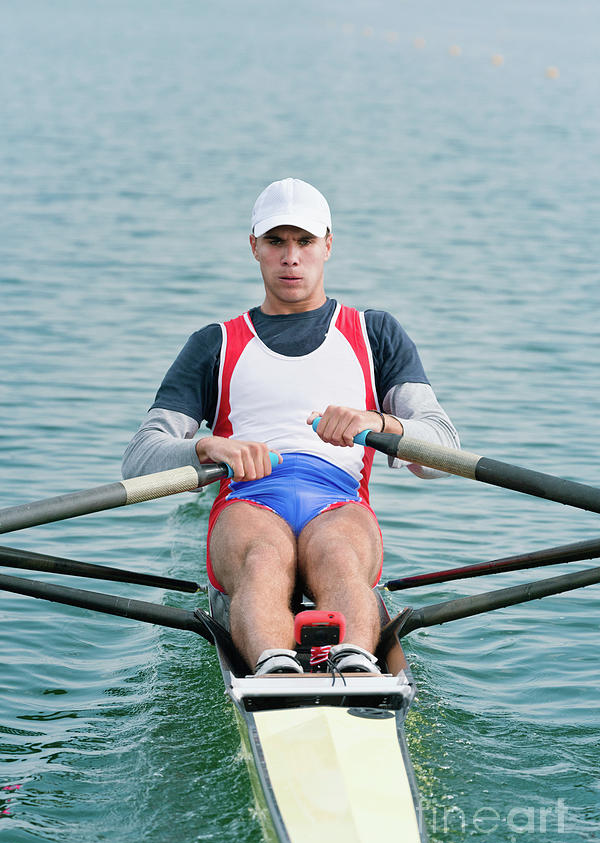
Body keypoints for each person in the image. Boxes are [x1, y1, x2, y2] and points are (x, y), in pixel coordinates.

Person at [122, 178, 460, 675]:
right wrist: (208, 447)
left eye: (304, 242)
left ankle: (355, 666)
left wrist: (381, 421)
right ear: (254, 247)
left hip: (338, 499)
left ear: (328, 245)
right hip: (248, 498)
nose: (291, 258)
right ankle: (276, 672)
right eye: (276, 242)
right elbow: (140, 457)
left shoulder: (374, 334)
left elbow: (443, 454)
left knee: (340, 556)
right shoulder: (214, 344)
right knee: (262, 559)